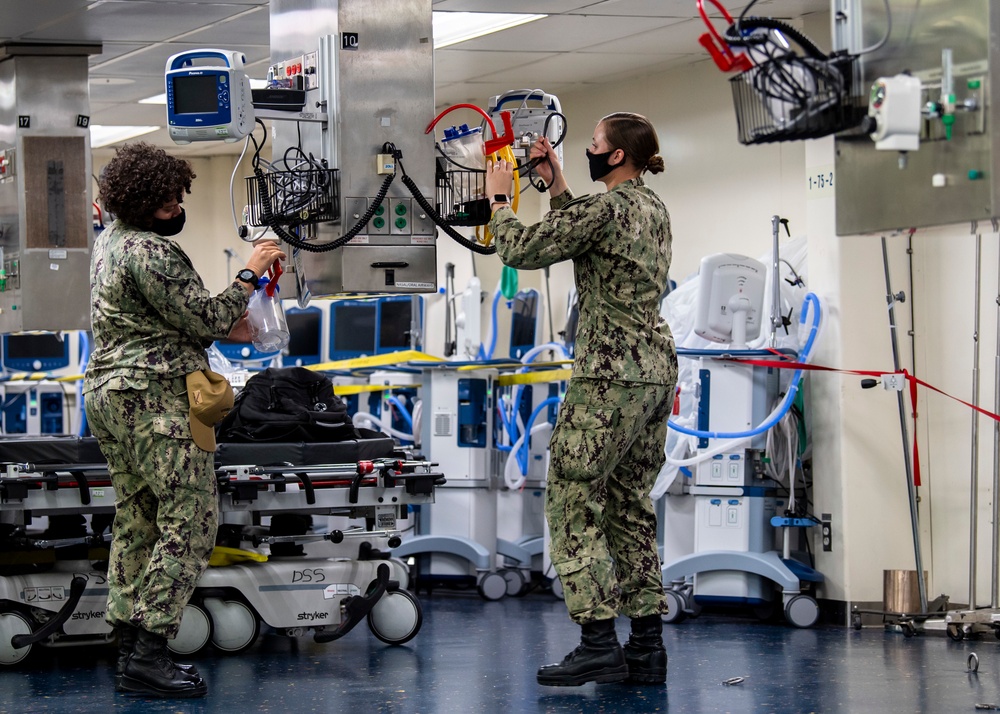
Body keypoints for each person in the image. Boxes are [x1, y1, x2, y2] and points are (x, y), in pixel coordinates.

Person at [83, 142, 286, 698]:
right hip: (154, 403)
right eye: (172, 201)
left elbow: (175, 322)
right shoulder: (152, 252)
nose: (178, 208)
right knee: (191, 523)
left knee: (138, 518)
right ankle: (151, 649)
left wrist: (232, 320)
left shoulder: (109, 246)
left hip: (109, 395)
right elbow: (209, 314)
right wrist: (250, 274)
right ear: (150, 203)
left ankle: (126, 647)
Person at [485, 112, 677, 687]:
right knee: (628, 502)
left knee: (570, 494)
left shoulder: (608, 209)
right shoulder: (650, 208)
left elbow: (520, 249)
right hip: (653, 372)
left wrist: (499, 202)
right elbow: (586, 234)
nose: (589, 151)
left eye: (594, 145)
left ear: (616, 156)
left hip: (610, 376)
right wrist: (557, 183)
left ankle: (597, 640)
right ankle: (646, 648)